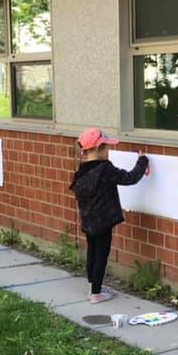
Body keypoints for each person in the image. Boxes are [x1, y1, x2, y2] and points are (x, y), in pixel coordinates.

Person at [69, 128, 149, 304]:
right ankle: (96, 294)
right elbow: (130, 178)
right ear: (99, 148)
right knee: (101, 255)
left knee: (92, 251)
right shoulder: (105, 169)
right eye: (106, 148)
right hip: (103, 220)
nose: (108, 151)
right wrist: (143, 161)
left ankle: (92, 286)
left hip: (88, 220)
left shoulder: (81, 171)